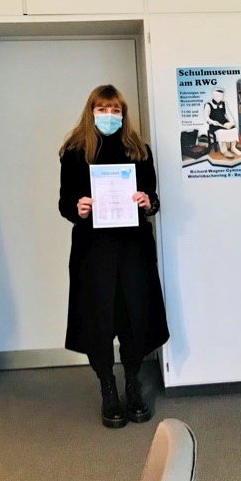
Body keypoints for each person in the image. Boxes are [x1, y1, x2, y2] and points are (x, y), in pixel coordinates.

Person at [58, 84, 170, 428]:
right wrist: (77, 207)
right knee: (98, 319)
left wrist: (147, 201)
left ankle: (133, 382)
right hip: (94, 252)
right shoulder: (75, 152)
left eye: (116, 110)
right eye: (103, 109)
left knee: (135, 315)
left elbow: (153, 199)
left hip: (133, 249)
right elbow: (65, 203)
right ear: (91, 112)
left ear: (124, 114)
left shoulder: (139, 150)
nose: (110, 116)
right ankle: (108, 387)